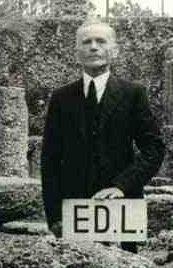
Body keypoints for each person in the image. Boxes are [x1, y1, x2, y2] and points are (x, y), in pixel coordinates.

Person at [41, 19, 165, 253]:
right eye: (86, 42)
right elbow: (50, 160)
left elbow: (154, 149)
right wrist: (55, 217)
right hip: (74, 207)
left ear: (114, 50)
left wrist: (122, 186)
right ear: (77, 52)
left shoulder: (133, 94)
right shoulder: (61, 98)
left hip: (122, 206)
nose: (94, 47)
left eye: (101, 41)